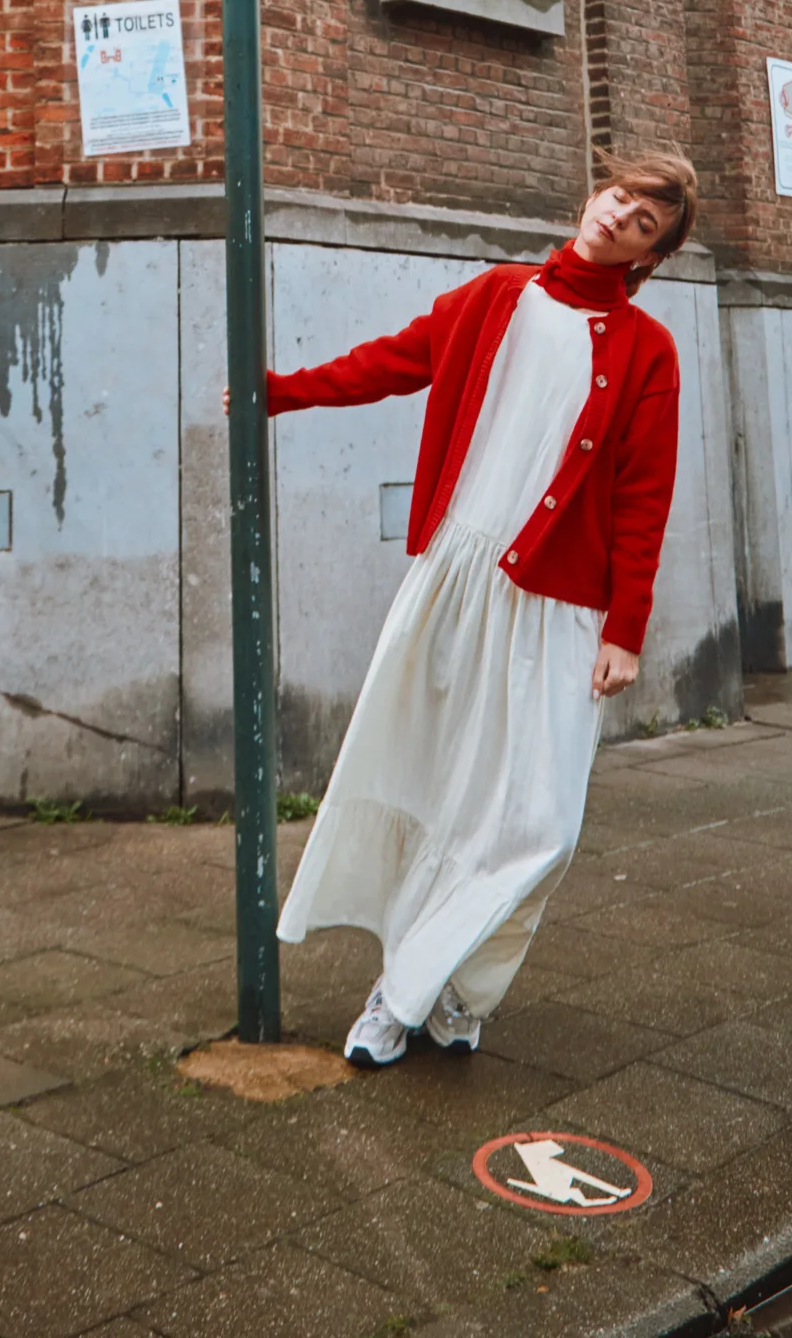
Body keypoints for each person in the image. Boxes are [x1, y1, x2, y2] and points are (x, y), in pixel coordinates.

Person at [268, 150, 698, 1068]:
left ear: (648, 257)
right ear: (594, 197)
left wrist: (625, 628)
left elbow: (641, 494)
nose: (620, 216)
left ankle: (456, 988)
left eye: (645, 222)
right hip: (454, 583)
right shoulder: (496, 297)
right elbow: (390, 363)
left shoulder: (647, 351)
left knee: (539, 825)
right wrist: (279, 394)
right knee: (430, 789)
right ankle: (402, 992)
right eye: (619, 196)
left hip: (559, 608)